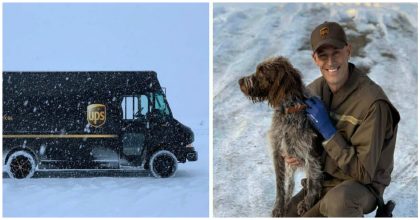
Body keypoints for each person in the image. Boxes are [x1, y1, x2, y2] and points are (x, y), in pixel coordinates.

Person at [284, 21, 400, 217]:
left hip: (361, 187)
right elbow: (287, 126)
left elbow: (364, 173)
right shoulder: (314, 91)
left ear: (348, 51)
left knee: (339, 202)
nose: (330, 62)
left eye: (336, 52)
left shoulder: (373, 103)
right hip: (324, 182)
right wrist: (291, 149)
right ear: (315, 59)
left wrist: (328, 131)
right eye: (323, 55)